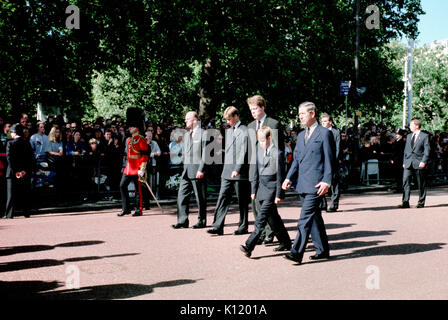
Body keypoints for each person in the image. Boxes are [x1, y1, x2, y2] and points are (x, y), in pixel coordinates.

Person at [281, 102, 335, 264]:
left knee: (304, 219)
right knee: (314, 217)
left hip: (317, 184)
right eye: (299, 114)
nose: (300, 117)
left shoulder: (324, 133)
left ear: (312, 114)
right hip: (303, 183)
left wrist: (327, 180)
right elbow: (296, 160)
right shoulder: (301, 135)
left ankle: (296, 252)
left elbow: (330, 160)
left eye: (303, 113)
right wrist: (289, 177)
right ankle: (323, 250)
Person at [240, 126, 291, 258]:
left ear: (269, 138)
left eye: (263, 141)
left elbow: (281, 175)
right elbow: (256, 173)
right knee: (274, 219)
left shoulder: (278, 153)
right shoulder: (259, 153)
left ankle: (249, 245)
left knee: (261, 219)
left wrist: (279, 194)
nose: (261, 143)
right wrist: (253, 190)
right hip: (261, 190)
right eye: (260, 141)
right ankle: (285, 242)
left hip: (272, 191)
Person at [247, 94, 284, 244]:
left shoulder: (273, 124)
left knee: (267, 208)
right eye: (251, 109)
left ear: (262, 107)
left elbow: (278, 150)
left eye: (255, 109)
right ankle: (263, 234)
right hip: (255, 170)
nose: (253, 112)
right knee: (256, 205)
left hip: (270, 172)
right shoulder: (250, 126)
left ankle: (269, 234)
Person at [207, 106, 250, 236]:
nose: (228, 122)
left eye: (230, 119)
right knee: (222, 198)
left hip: (239, 172)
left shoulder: (245, 130)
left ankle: (243, 226)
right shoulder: (229, 131)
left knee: (242, 200)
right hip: (227, 171)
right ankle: (218, 226)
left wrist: (237, 169)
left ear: (236, 116)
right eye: (226, 120)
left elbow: (244, 151)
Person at [172, 111, 208, 229]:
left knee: (200, 197)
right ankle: (182, 220)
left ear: (194, 120)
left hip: (198, 170)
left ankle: (201, 221)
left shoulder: (204, 133)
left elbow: (206, 154)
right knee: (181, 195)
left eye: (187, 119)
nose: (185, 121)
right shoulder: (187, 135)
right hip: (186, 170)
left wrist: (201, 170)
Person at [118, 108, 149, 217]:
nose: (129, 128)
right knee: (122, 186)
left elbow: (145, 155)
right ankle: (126, 208)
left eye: (132, 126)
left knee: (138, 190)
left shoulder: (141, 139)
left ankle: (138, 209)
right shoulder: (128, 140)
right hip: (129, 167)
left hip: (137, 168)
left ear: (137, 128)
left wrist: (142, 168)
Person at [3, 124, 35, 219]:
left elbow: (10, 158)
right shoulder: (27, 143)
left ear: (15, 132)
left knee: (11, 194)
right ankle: (26, 212)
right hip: (25, 172)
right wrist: (24, 171)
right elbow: (31, 159)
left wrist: (16, 171)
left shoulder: (10, 143)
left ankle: (9, 214)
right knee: (25, 192)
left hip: (13, 172)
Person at [399, 119, 430, 208]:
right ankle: (405, 202)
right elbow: (406, 150)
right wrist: (404, 161)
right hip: (408, 162)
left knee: (421, 183)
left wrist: (424, 161)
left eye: (411, 125)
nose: (410, 127)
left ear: (417, 126)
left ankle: (421, 202)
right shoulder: (409, 136)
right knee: (405, 182)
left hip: (419, 162)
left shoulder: (424, 136)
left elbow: (427, 150)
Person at [320, 113, 341, 212]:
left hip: (333, 162)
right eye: (322, 122)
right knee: (322, 182)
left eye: (325, 121)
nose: (323, 123)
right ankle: (322, 203)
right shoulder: (320, 132)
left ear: (330, 122)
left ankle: (334, 204)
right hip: (322, 162)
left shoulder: (336, 132)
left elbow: (338, 148)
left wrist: (334, 161)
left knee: (334, 183)